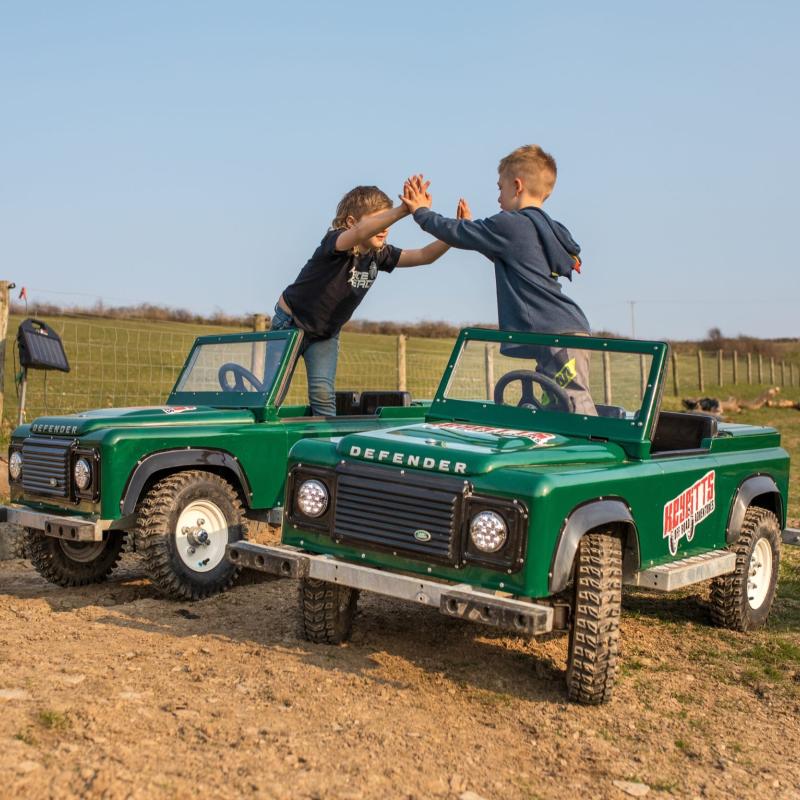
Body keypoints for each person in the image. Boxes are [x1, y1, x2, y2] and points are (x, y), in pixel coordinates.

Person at [400, 145, 596, 415]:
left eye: (500, 187)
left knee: (574, 405)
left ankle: (589, 454)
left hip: (556, 334)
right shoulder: (546, 227)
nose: (498, 196)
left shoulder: (512, 224)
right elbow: (509, 256)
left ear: (517, 186)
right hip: (563, 330)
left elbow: (454, 231)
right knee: (556, 408)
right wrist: (472, 231)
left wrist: (421, 212)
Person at [272, 182, 462, 416]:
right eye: (380, 221)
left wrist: (454, 234)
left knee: (323, 396)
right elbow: (362, 233)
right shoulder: (336, 242)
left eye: (387, 222)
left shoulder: (379, 254)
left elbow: (424, 256)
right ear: (351, 222)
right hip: (290, 324)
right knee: (274, 393)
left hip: (324, 335)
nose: (385, 228)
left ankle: (321, 445)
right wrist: (403, 210)